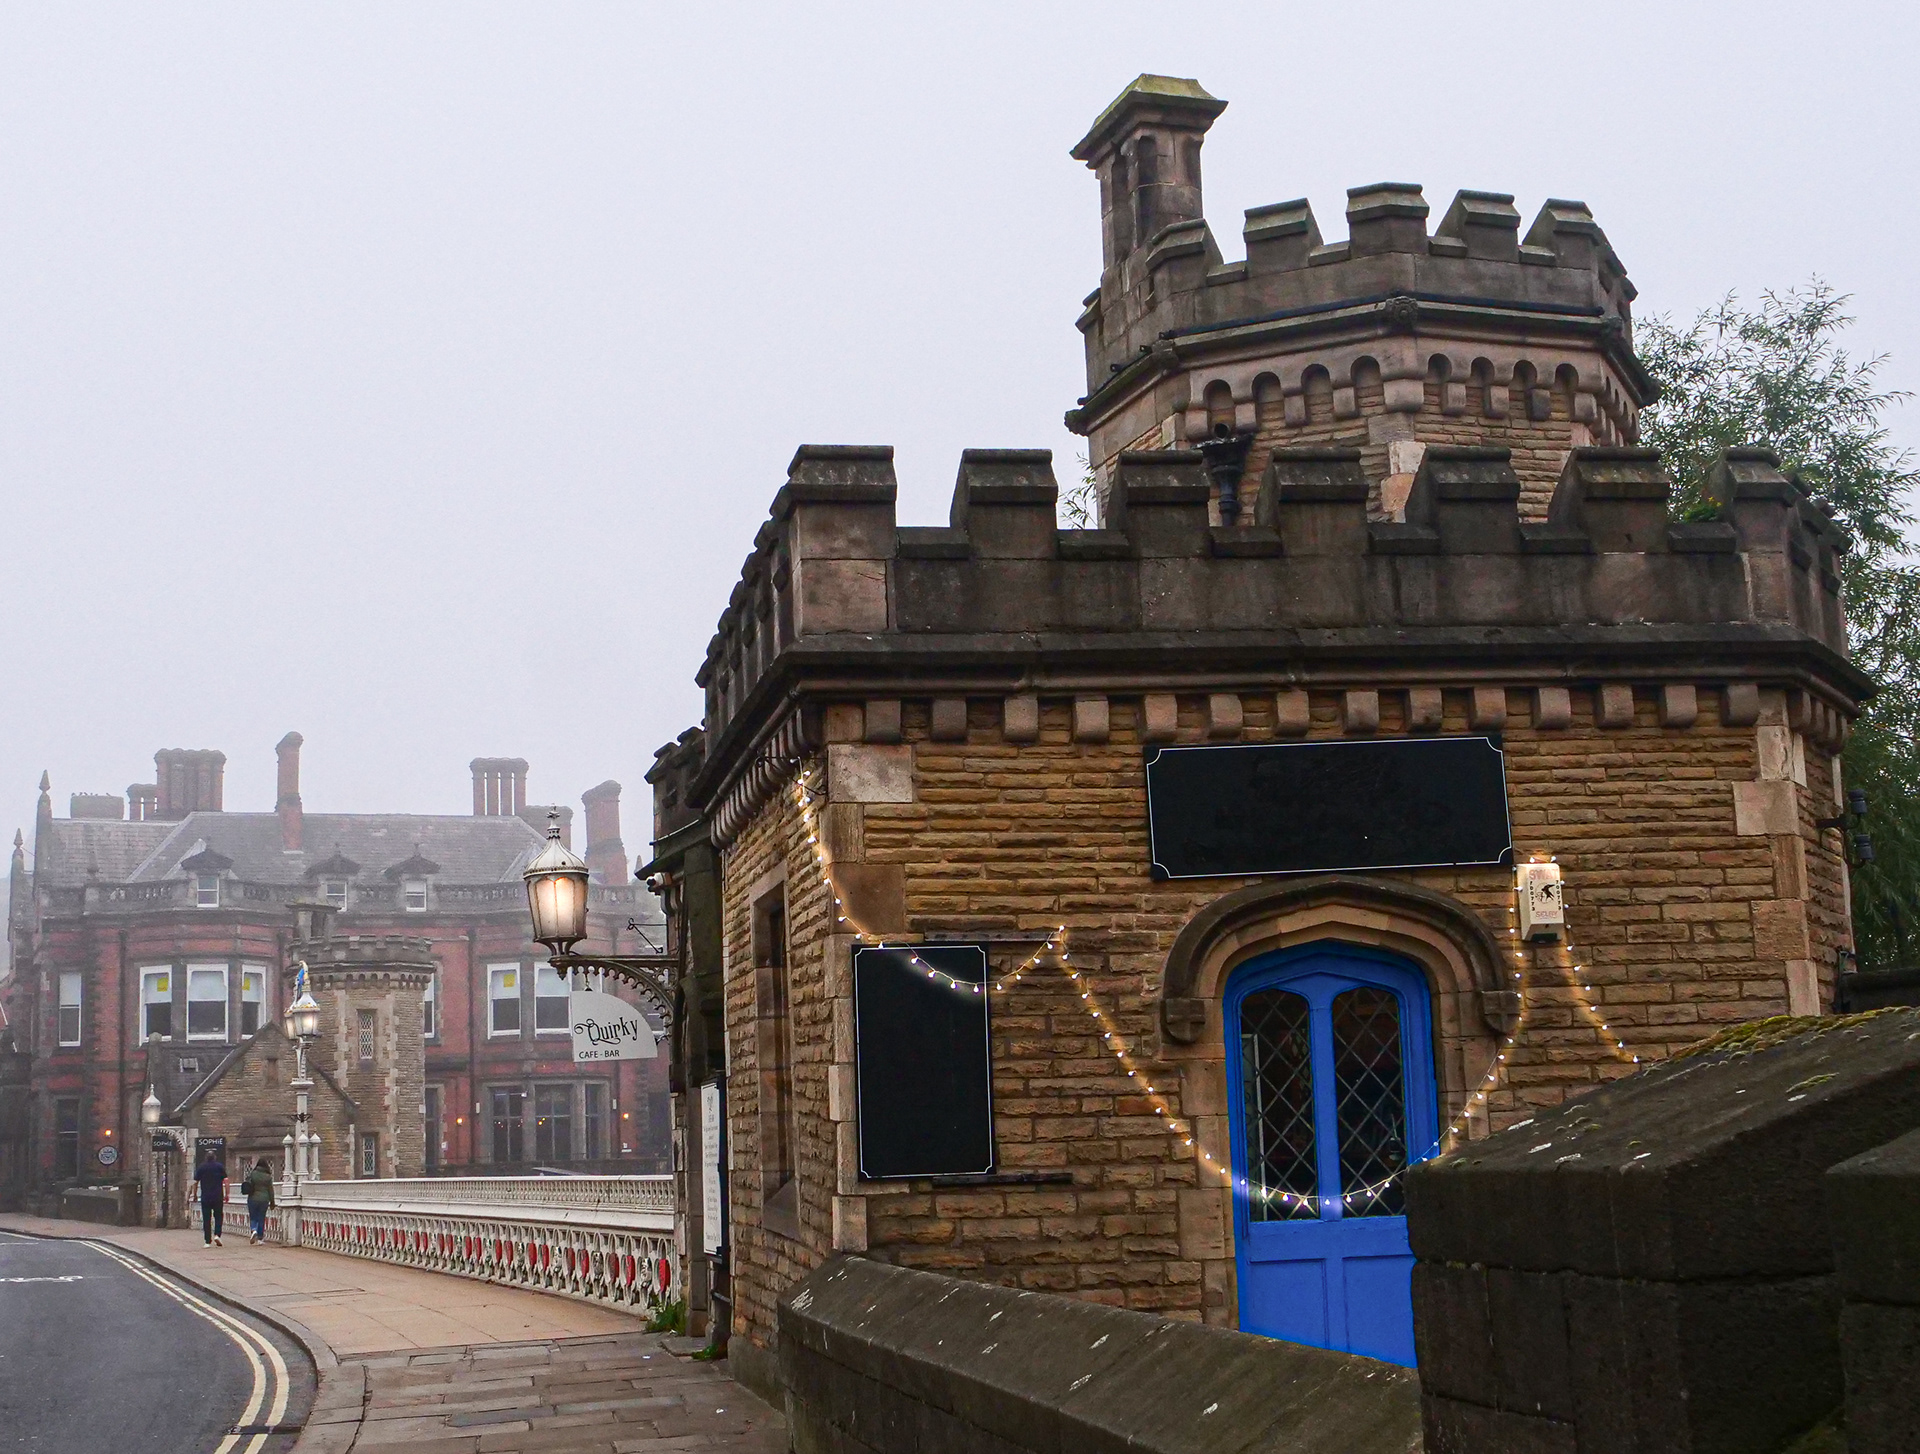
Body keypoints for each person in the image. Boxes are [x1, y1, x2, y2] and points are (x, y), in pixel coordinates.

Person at [193, 1151, 226, 1246]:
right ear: (215, 1157)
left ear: (206, 1158)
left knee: (206, 1218)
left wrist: (195, 1195)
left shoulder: (201, 1167)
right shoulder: (220, 1166)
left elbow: (195, 1182)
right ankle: (217, 1235)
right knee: (218, 1216)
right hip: (218, 1196)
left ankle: (207, 1241)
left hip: (205, 1197)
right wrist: (227, 1194)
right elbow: (226, 1181)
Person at [242, 1158, 274, 1245]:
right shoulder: (268, 1176)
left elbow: (247, 1183)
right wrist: (272, 1202)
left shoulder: (253, 1174)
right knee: (261, 1218)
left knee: (253, 1216)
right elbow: (270, 1190)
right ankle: (260, 1238)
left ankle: (253, 1230)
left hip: (252, 1198)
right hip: (264, 1199)